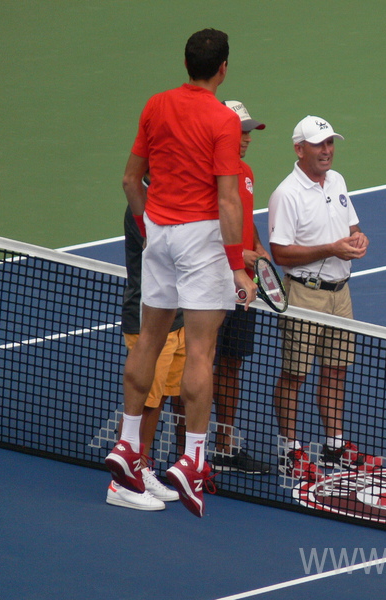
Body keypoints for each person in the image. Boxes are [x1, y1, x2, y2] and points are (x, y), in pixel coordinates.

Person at [105, 28, 257, 518]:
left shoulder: (155, 105)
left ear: (188, 63)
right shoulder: (222, 120)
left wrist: (150, 227)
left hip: (160, 234)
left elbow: (131, 179)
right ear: (223, 69)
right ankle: (193, 459)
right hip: (201, 240)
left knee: (149, 340)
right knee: (201, 350)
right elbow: (229, 199)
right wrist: (238, 266)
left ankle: (129, 445)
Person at [268, 115, 376, 481]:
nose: (327, 151)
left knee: (336, 370)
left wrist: (358, 239)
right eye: (319, 144)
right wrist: (332, 248)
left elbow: (352, 227)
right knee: (295, 375)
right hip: (304, 295)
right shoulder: (286, 194)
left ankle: (334, 446)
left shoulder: (338, 181)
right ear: (299, 149)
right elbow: (280, 253)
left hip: (340, 294)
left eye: (330, 143)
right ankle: (290, 451)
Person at [106, 205, 183, 511]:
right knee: (144, 401)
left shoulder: (173, 198)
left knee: (158, 398)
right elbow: (166, 255)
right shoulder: (144, 205)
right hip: (147, 321)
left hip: (176, 318)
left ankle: (140, 467)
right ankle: (121, 483)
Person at [210, 100, 271, 474]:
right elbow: (204, 228)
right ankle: (189, 446)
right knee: (199, 364)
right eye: (240, 130)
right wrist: (242, 254)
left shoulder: (245, 172)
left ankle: (224, 446)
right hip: (211, 285)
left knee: (231, 365)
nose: (246, 137)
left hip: (241, 287)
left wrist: (259, 250)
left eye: (248, 130)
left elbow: (243, 219)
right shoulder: (210, 172)